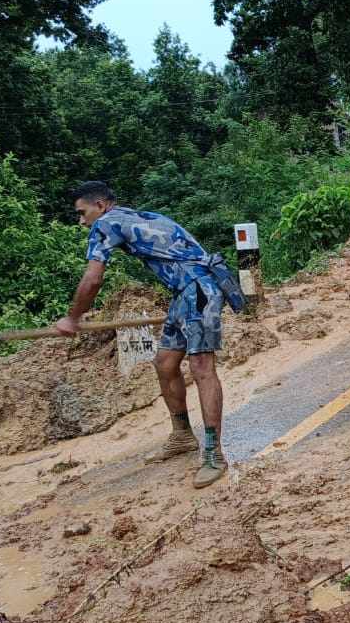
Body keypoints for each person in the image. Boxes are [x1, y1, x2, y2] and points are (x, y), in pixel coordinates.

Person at [58, 181, 230, 488]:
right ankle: (182, 435)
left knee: (202, 367)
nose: (81, 221)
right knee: (165, 363)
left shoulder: (105, 224)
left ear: (100, 206)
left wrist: (72, 318)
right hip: (186, 292)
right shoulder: (132, 216)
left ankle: (213, 454)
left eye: (82, 213)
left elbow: (93, 278)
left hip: (198, 291)